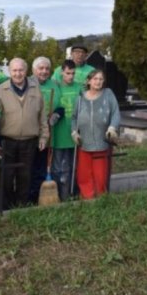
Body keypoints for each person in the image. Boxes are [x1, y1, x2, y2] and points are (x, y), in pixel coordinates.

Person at [0, 58, 48, 208]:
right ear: (9, 71)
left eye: (21, 70)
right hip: (7, 141)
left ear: (26, 71)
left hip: (29, 141)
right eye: (14, 70)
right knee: (6, 177)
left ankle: (21, 209)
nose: (18, 74)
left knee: (25, 177)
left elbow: (42, 115)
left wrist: (44, 136)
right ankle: (5, 209)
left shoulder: (35, 88)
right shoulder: (1, 90)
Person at [71, 69, 120, 199]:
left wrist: (112, 127)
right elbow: (74, 117)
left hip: (102, 142)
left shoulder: (108, 94)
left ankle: (101, 198)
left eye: (100, 79)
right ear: (89, 81)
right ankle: (87, 198)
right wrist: (74, 132)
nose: (98, 82)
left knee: (100, 174)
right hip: (84, 142)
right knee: (84, 174)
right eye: (95, 79)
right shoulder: (80, 98)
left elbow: (115, 113)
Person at [28, 56, 63, 203]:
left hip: (47, 132)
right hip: (30, 132)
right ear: (34, 70)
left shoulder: (54, 85)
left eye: (47, 68)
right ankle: (28, 197)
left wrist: (56, 115)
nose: (44, 71)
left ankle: (39, 197)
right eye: (41, 68)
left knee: (41, 166)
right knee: (30, 166)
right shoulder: (28, 83)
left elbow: (61, 106)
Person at [52, 60, 82, 200]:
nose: (71, 76)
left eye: (73, 73)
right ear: (61, 72)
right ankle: (59, 195)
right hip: (60, 134)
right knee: (59, 168)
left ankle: (72, 193)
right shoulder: (56, 87)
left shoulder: (79, 88)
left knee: (73, 166)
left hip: (74, 133)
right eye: (68, 73)